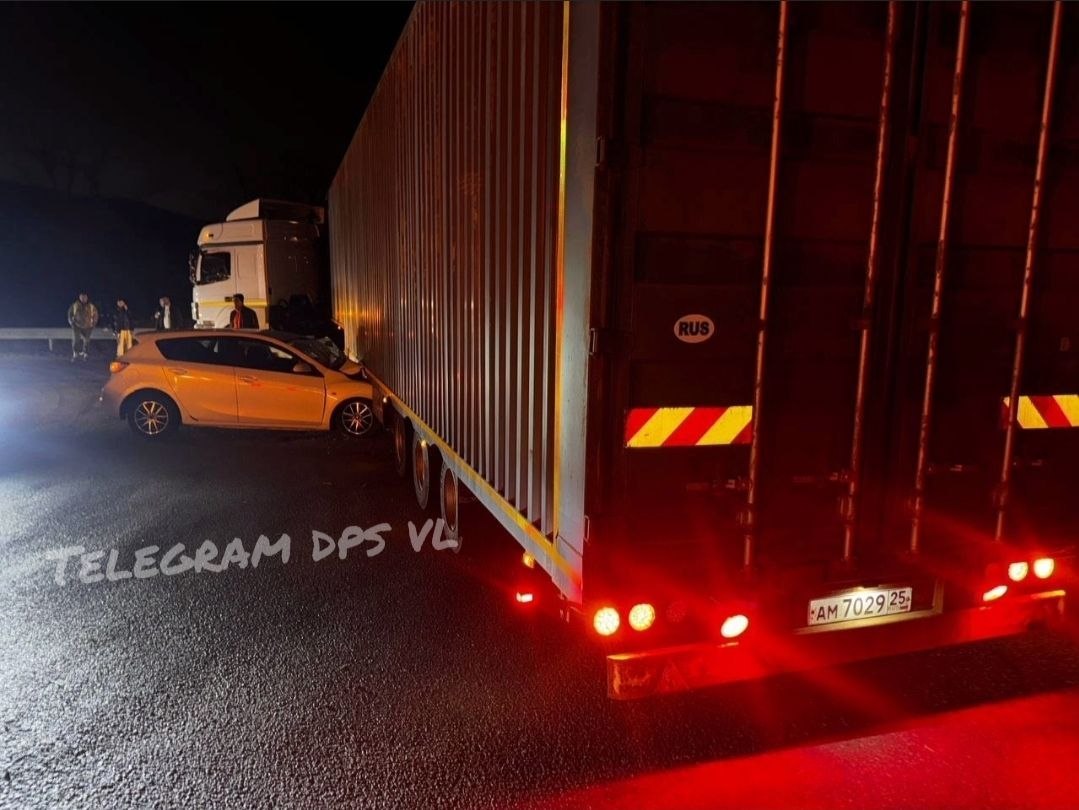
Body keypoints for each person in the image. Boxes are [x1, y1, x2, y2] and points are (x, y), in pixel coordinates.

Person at [67, 292, 99, 361]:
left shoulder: (91, 306)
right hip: (77, 326)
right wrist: (71, 323)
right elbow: (70, 314)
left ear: (87, 298)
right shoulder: (75, 305)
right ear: (80, 297)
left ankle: (85, 354)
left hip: (88, 326)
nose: (83, 298)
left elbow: (96, 315)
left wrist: (93, 324)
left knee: (86, 340)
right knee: (76, 339)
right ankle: (75, 353)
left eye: (85, 297)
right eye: (82, 297)